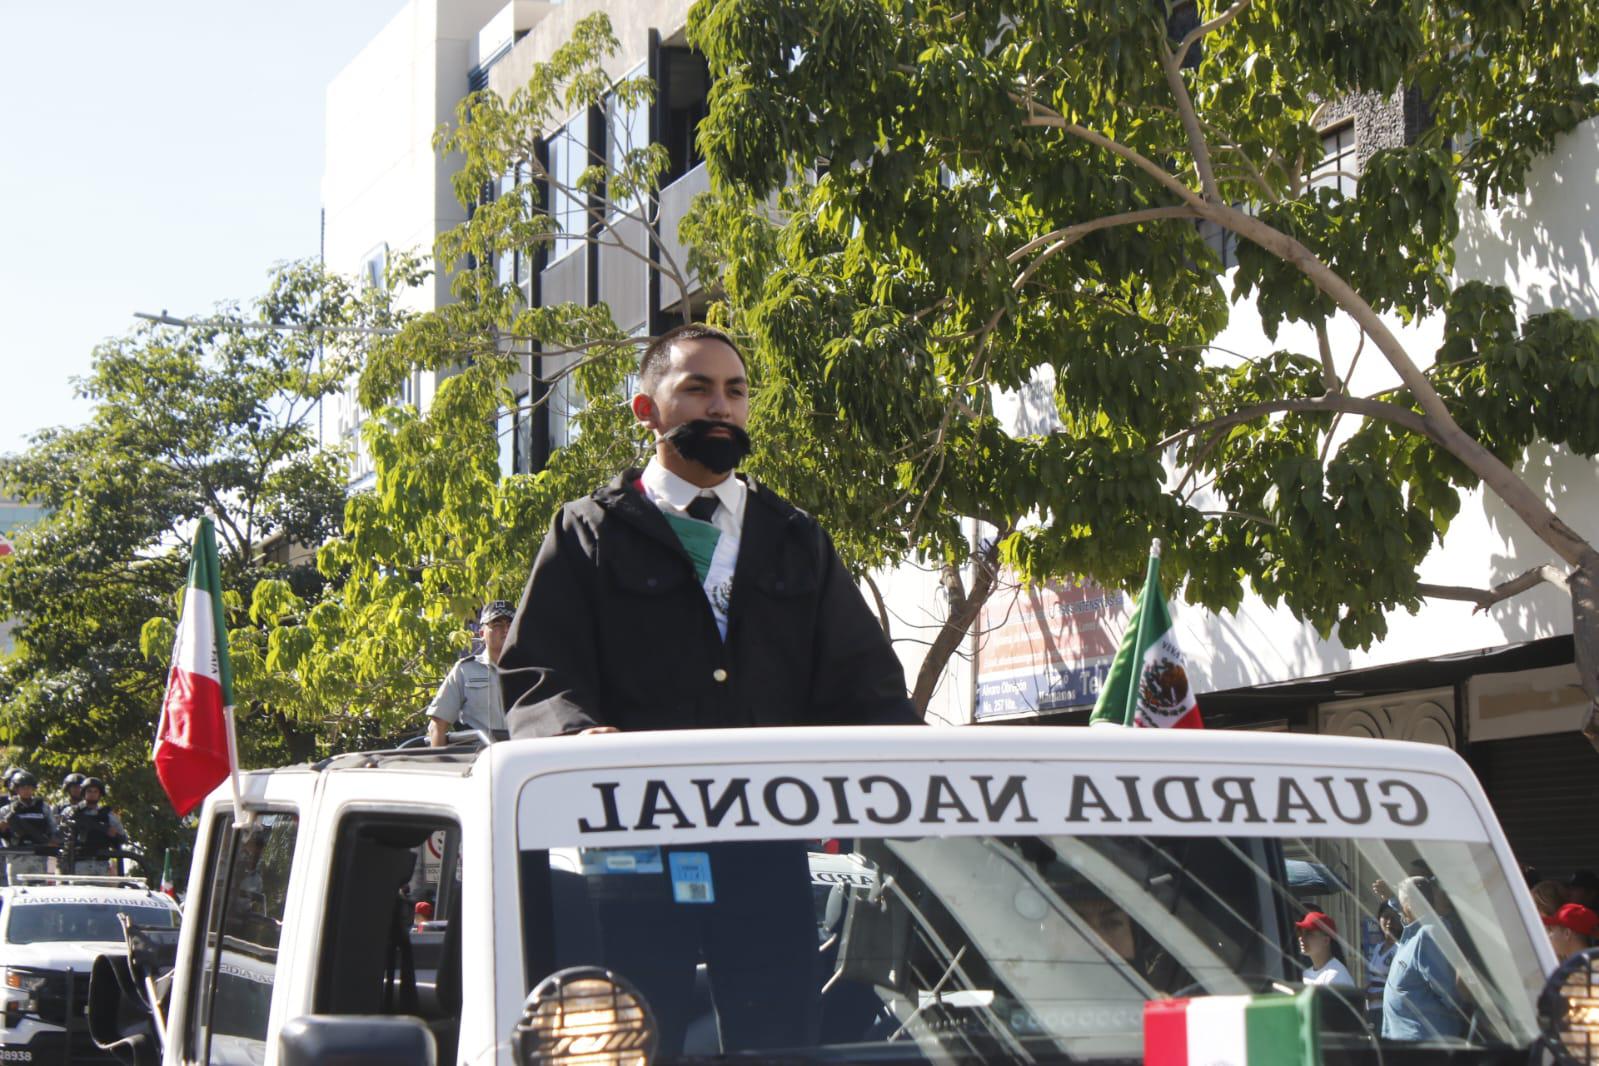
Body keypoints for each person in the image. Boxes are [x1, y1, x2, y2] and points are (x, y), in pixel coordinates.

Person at [499, 322, 918, 735]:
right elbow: (541, 675)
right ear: (646, 410)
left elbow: (868, 685)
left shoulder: (796, 537)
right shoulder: (588, 531)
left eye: (736, 391)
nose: (721, 407)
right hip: (639, 798)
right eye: (698, 389)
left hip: (777, 798)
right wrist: (572, 737)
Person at [1383, 875, 1467, 1042]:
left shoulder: (1428, 933)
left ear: (1411, 903)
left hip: (1424, 1045)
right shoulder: (1413, 933)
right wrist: (1393, 898)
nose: (1399, 907)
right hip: (1403, 1044)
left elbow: (1448, 993)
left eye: (1402, 901)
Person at [426, 600, 514, 746]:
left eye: (510, 623)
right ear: (481, 633)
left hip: (524, 758)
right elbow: (438, 725)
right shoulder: (465, 670)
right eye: (497, 624)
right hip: (478, 759)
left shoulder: (533, 670)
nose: (505, 629)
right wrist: (440, 763)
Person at [0, 772, 59, 882]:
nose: (26, 790)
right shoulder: (7, 809)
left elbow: (53, 830)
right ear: (16, 789)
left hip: (38, 856)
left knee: (39, 893)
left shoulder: (43, 808)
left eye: (29, 787)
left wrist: (51, 841)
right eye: (23, 787)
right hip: (17, 856)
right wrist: (11, 814)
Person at [63, 778, 126, 875]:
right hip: (79, 862)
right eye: (89, 791)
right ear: (84, 793)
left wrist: (113, 834)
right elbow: (61, 832)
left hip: (101, 863)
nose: (92, 794)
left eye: (95, 791)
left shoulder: (108, 815)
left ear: (100, 794)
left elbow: (122, 837)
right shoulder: (72, 812)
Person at [1364, 905, 1402, 1026]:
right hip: (1371, 1008)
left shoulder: (1400, 949)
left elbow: (1399, 985)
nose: (1389, 922)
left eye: (1394, 917)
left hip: (1387, 1009)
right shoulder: (1378, 947)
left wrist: (1375, 996)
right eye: (1386, 917)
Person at [1297, 911, 1355, 988]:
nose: (1301, 938)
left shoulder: (1336, 975)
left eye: (1309, 934)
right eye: (1300, 933)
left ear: (1326, 940)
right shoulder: (1306, 974)